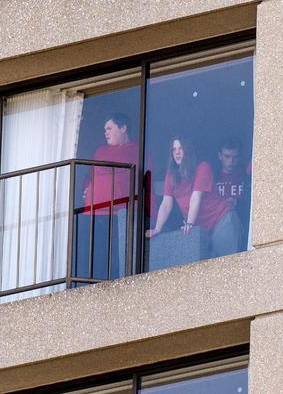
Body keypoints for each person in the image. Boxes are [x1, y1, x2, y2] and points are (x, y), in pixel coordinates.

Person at [146, 136, 241, 260]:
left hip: (221, 222)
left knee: (228, 266)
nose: (177, 152)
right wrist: (158, 228)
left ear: (189, 150)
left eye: (181, 148)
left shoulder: (202, 167)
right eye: (174, 150)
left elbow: (196, 197)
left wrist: (189, 224)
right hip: (202, 229)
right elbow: (166, 203)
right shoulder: (171, 174)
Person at [79, 112, 140, 280]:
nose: (105, 132)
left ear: (123, 128)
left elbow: (141, 181)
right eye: (104, 129)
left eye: (109, 128)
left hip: (118, 213)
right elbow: (88, 177)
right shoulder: (100, 151)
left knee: (116, 259)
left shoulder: (136, 150)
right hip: (93, 213)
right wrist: (88, 189)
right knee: (95, 258)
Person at [213, 137, 251, 231]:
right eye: (227, 157)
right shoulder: (212, 177)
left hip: (243, 224)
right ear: (220, 156)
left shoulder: (247, 176)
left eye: (235, 157)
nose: (231, 161)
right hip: (217, 224)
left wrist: (238, 203)